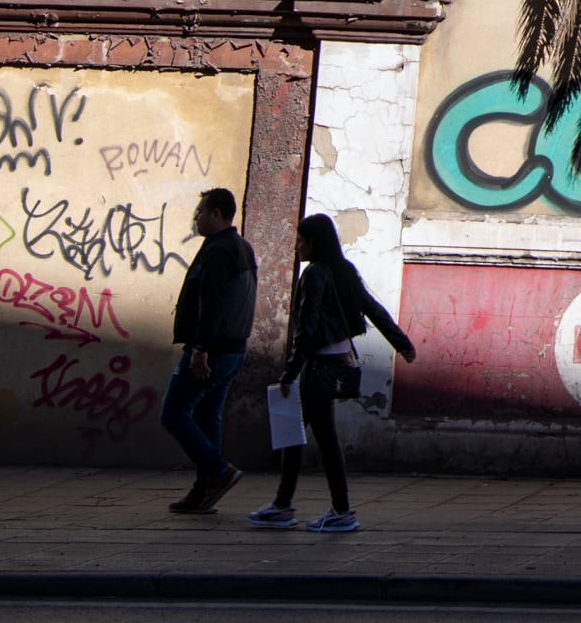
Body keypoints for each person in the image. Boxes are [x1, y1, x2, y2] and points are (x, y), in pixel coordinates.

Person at [248, 212, 415, 535]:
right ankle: (286, 504)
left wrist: (290, 371)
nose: (297, 246)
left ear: (313, 243)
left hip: (317, 367)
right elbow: (373, 308)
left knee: (314, 437)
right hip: (337, 364)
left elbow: (306, 329)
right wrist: (402, 343)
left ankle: (336, 510)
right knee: (299, 434)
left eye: (301, 240)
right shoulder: (344, 271)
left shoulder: (314, 275)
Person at [163, 187, 257, 513]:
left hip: (212, 350)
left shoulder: (219, 250)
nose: (196, 217)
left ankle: (218, 471)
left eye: (200, 211)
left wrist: (200, 349)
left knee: (173, 413)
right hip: (231, 348)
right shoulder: (241, 247)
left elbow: (212, 302)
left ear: (217, 213)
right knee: (207, 416)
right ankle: (204, 491)